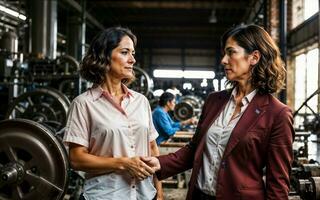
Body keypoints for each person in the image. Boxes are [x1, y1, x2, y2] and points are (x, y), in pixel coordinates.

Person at [142, 24, 294, 200]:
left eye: (231, 52)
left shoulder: (277, 114)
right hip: (199, 195)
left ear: (254, 57)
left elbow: (278, 184)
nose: (223, 60)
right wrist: (158, 163)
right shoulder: (215, 101)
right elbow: (194, 150)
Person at [63, 27, 163, 200]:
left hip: (145, 195)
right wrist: (123, 163)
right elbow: (76, 159)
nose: (132, 59)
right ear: (104, 56)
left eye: (133, 53)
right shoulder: (83, 104)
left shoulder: (141, 101)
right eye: (125, 52)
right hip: (105, 195)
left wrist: (159, 192)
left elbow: (153, 148)